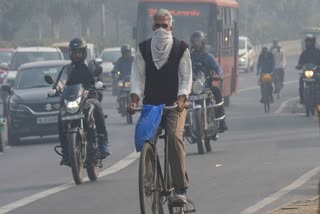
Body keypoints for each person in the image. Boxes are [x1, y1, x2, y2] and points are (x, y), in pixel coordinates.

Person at [129, 9, 192, 204]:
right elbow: (137, 78)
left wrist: (181, 99)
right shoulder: (144, 48)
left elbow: (186, 78)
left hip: (175, 105)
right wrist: (134, 99)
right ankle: (150, 176)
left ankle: (180, 188)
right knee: (146, 138)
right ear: (152, 26)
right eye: (157, 25)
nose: (161, 29)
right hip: (152, 105)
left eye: (165, 25)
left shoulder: (181, 48)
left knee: (173, 137)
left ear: (171, 27)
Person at [50, 38, 111, 165]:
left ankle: (104, 143)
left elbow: (96, 77)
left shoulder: (91, 65)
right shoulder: (67, 68)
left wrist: (98, 83)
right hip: (72, 98)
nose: (77, 55)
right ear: (70, 53)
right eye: (74, 52)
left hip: (89, 95)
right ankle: (66, 152)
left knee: (97, 106)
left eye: (79, 52)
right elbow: (62, 80)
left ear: (84, 52)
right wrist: (56, 88)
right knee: (61, 117)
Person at [190, 31, 228, 132]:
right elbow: (182, 69)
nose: (196, 43)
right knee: (181, 100)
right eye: (194, 41)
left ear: (202, 42)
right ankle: (184, 126)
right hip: (192, 87)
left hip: (207, 86)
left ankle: (222, 121)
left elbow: (217, 67)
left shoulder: (208, 56)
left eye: (198, 41)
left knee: (218, 93)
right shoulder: (189, 57)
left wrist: (220, 75)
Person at [296, 34, 320, 104]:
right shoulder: (304, 52)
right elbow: (300, 61)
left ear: (313, 42)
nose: (308, 43)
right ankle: (302, 98)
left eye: (309, 41)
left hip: (317, 72)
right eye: (307, 41)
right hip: (307, 72)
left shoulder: (318, 52)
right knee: (301, 80)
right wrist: (299, 66)